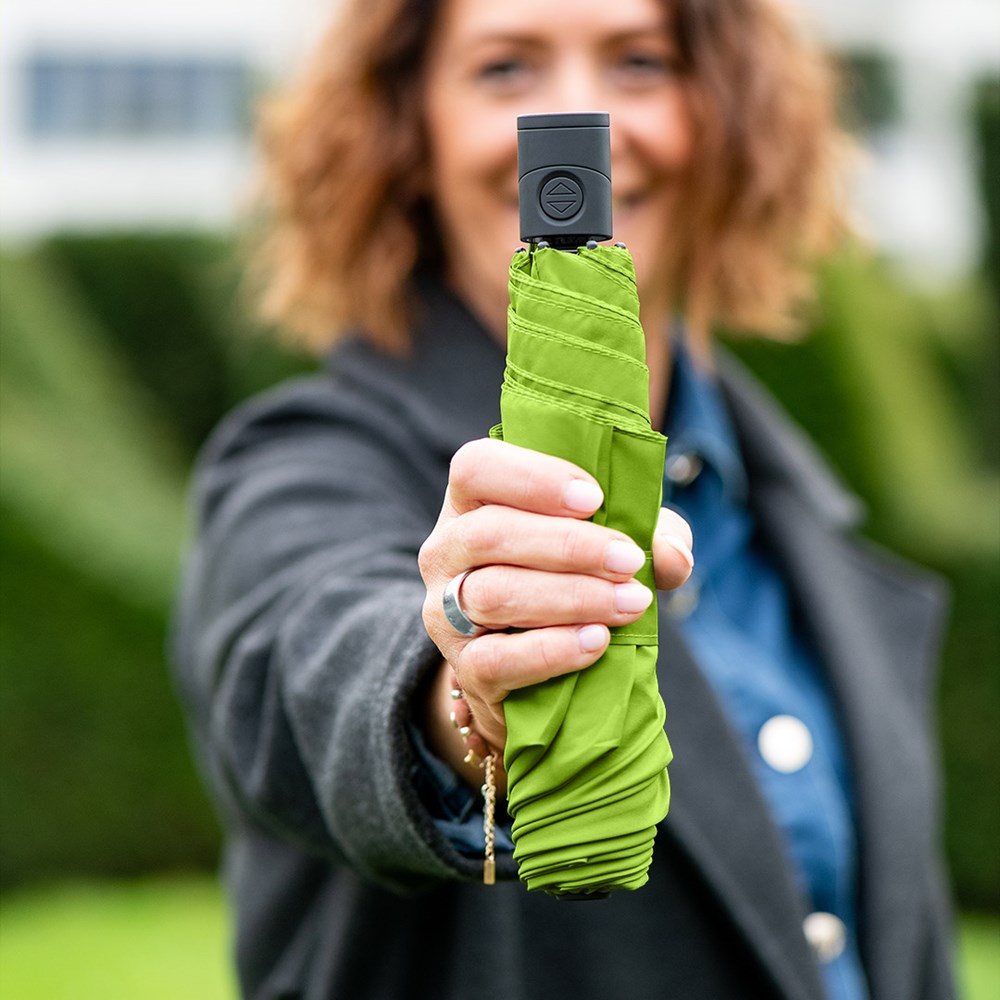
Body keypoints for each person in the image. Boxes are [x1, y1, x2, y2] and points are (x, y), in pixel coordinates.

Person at [172, 0, 957, 997]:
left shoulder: (791, 509)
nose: (582, 117)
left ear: (728, 113)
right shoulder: (304, 465)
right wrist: (469, 688)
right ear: (407, 133)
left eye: (639, 62)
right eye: (505, 68)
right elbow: (307, 670)